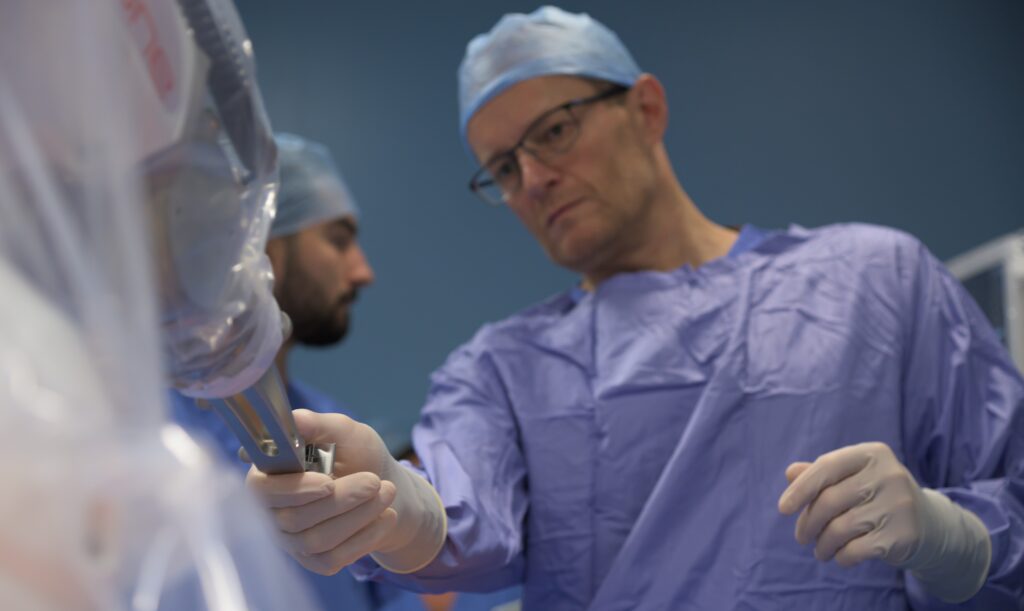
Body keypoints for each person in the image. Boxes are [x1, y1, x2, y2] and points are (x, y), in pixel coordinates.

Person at [246, 7, 1024, 610]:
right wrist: (390, 500)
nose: (535, 178)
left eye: (554, 131)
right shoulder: (501, 370)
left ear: (646, 109)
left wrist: (948, 532)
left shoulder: (877, 280)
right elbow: (458, 512)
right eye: (503, 169)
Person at [171, 132, 397, 610]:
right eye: (338, 240)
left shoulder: (329, 428)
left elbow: (394, 587)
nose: (363, 272)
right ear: (258, 251)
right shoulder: (145, 429)